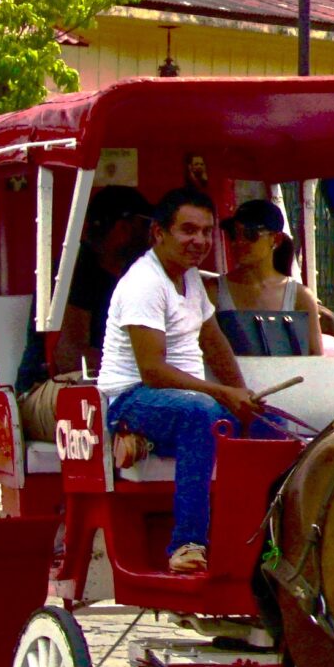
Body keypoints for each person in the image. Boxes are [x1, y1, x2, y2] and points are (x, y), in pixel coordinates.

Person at [98, 186, 268, 575]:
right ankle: (187, 544)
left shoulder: (191, 280)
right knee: (201, 413)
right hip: (133, 399)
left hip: (183, 400)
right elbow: (152, 372)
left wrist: (242, 397)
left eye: (207, 232)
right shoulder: (144, 283)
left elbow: (215, 344)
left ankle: (265, 547)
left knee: (270, 425)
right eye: (189, 230)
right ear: (159, 233)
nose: (200, 241)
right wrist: (223, 394)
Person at [15, 188, 154, 441]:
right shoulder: (77, 270)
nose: (154, 237)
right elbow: (70, 356)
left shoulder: (135, 277)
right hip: (44, 389)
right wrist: (149, 369)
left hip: (96, 387)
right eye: (147, 226)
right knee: (112, 402)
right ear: (123, 229)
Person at [211, 198, 334, 354]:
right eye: (233, 234)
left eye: (250, 234)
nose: (239, 242)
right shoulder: (214, 292)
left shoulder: (301, 297)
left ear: (275, 239)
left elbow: (315, 360)